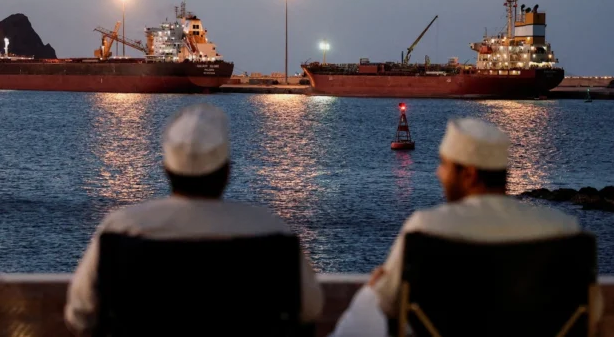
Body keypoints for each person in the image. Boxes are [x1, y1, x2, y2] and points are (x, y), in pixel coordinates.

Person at [64, 103, 323, 335]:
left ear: (166, 169)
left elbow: (80, 312)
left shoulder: (119, 229)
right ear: (227, 171)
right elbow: (310, 309)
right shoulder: (274, 232)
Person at [331, 117, 599, 336]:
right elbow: (590, 312)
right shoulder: (565, 230)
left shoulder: (426, 228)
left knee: (370, 299)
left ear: (469, 174)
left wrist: (377, 286)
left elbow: (388, 305)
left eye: (445, 165)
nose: (438, 173)